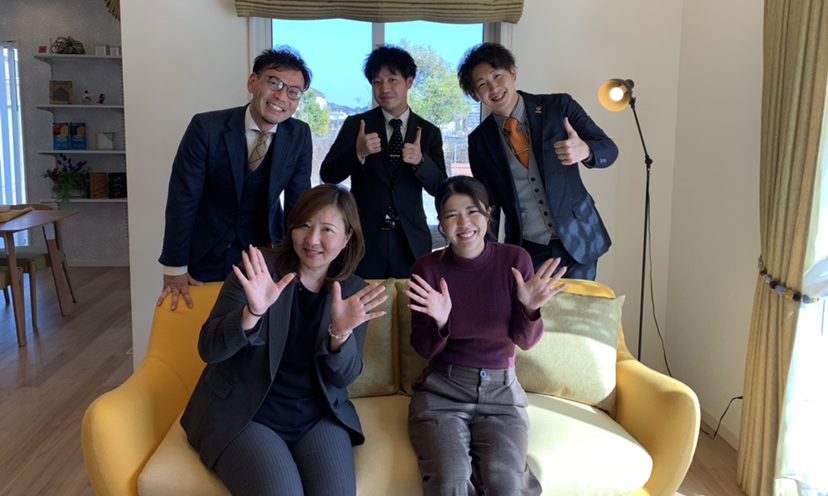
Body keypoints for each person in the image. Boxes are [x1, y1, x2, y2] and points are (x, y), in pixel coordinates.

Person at [180, 184, 387, 496]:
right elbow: (209, 348)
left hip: (317, 416)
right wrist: (252, 313)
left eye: (327, 230)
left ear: (347, 239)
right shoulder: (259, 269)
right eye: (304, 225)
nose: (312, 239)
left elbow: (343, 377)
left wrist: (340, 333)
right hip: (247, 413)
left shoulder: (352, 291)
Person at [406, 175, 567, 495]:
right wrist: (440, 323)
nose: (463, 223)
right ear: (441, 224)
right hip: (443, 394)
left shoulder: (515, 261)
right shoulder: (427, 269)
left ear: (488, 215)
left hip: (502, 396)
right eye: (452, 215)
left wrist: (530, 309)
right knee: (450, 480)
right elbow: (424, 349)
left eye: (472, 211)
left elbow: (525, 341)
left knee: (506, 484)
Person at [157, 47, 313, 310]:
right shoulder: (206, 128)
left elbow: (298, 204)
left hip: (264, 256)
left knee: (257, 326)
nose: (281, 96)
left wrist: (300, 261)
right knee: (202, 323)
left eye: (293, 92)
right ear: (253, 82)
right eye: (274, 83)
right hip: (206, 252)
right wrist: (175, 267)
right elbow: (183, 198)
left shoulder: (299, 135)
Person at [457, 42, 618, 279]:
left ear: (513, 73)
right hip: (528, 248)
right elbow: (488, 204)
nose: (493, 87)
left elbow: (609, 149)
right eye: (482, 84)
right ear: (474, 95)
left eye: (497, 76)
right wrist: (487, 255)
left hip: (579, 238)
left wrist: (586, 150)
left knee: (580, 303)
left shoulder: (558, 107)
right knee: (530, 304)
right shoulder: (479, 141)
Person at [320, 45, 447, 279]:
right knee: (362, 299)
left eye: (392, 80)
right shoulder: (356, 125)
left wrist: (421, 162)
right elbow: (328, 174)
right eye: (377, 82)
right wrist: (357, 153)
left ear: (409, 81)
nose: (384, 88)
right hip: (364, 239)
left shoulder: (429, 132)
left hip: (410, 241)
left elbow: (441, 187)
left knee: (411, 301)